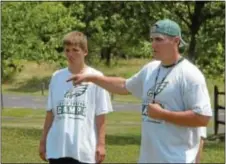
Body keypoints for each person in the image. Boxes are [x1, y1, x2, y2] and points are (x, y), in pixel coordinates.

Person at [67, 19, 212, 163]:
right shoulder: (151, 69)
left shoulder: (190, 74)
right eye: (152, 39)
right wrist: (93, 78)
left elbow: (202, 117)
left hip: (176, 159)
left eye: (159, 39)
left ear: (176, 41)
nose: (153, 44)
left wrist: (163, 114)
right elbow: (124, 86)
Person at [39, 31, 113, 164]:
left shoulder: (96, 77)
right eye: (67, 50)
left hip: (84, 149)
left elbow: (101, 115)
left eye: (75, 50)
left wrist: (101, 145)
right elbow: (50, 113)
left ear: (85, 51)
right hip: (58, 148)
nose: (70, 54)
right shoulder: (57, 77)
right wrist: (43, 141)